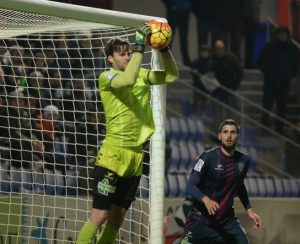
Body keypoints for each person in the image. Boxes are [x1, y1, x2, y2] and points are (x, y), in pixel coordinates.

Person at [76, 22, 179, 244]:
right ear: (110, 59)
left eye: (128, 53)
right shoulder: (107, 77)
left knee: (116, 219)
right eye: (121, 54)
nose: (126, 57)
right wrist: (140, 46)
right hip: (113, 155)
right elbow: (128, 79)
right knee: (100, 215)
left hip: (135, 157)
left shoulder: (142, 74)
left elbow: (171, 76)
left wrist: (163, 49)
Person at [181, 119, 262, 244]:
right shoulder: (207, 157)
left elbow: (239, 186)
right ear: (219, 135)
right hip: (201, 219)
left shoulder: (243, 161)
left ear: (238, 136)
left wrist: (249, 210)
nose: (228, 136)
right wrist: (206, 200)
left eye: (232, 132)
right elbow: (190, 185)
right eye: (225, 132)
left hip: (227, 221)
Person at [258, 27, 299, 133]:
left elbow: (295, 64)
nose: (282, 36)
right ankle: (265, 128)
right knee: (267, 106)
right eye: (280, 34)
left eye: (284, 34)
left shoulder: (292, 49)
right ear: (276, 35)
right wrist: (269, 73)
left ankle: (279, 129)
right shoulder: (269, 47)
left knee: (282, 108)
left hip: (284, 83)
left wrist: (289, 75)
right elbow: (261, 62)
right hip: (270, 82)